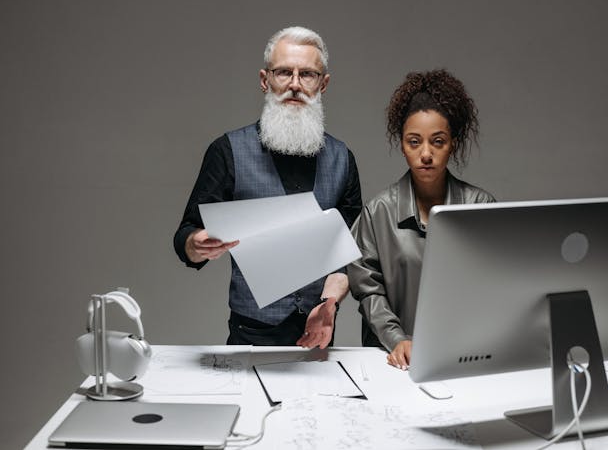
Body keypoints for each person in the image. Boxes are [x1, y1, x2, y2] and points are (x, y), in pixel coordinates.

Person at [174, 26, 362, 348]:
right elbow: (186, 237)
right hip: (250, 335)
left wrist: (328, 305)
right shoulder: (227, 151)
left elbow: (348, 254)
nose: (294, 84)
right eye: (283, 72)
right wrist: (196, 243)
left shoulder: (342, 159)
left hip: (320, 335)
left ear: (323, 85)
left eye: (308, 75)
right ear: (265, 80)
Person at [348, 69, 495, 369]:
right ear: (401, 144)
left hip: (464, 360)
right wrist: (397, 339)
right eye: (414, 142)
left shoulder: (481, 207)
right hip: (393, 363)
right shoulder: (378, 213)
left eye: (437, 141)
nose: (425, 153)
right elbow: (367, 291)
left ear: (452, 143)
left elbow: (496, 289)